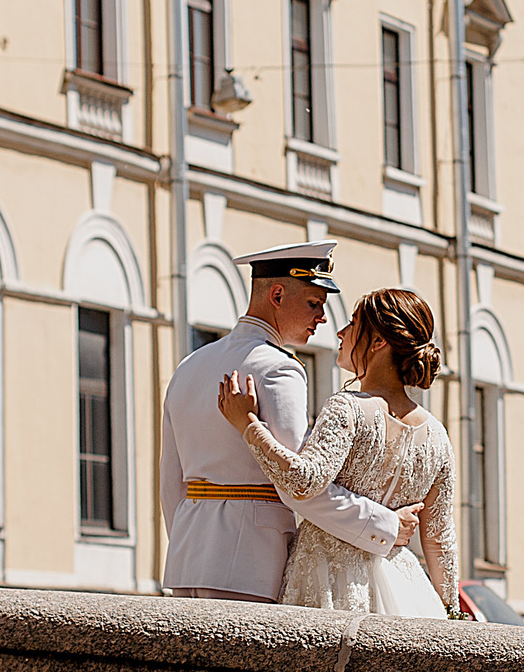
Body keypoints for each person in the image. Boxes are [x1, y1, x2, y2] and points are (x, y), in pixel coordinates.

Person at [158, 242, 417, 602]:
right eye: (314, 303)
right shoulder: (278, 368)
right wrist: (385, 525)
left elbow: (172, 485)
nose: (323, 318)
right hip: (251, 563)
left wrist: (195, 545)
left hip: (187, 561)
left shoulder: (189, 366)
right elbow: (300, 485)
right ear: (277, 295)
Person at [219, 287, 464, 619]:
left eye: (352, 323)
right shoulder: (438, 436)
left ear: (377, 342)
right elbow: (440, 539)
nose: (341, 332)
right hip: (408, 593)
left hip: (329, 587)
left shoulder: (348, 408)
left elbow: (303, 482)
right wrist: (451, 611)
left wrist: (248, 424)